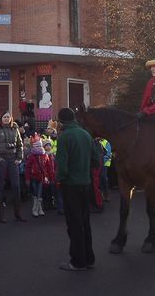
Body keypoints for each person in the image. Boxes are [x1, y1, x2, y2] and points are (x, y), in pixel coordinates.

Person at [55, 107, 100, 271]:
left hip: (70, 185)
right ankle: (89, 258)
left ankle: (77, 260)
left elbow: (62, 166)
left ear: (60, 121)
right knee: (85, 222)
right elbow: (96, 160)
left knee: (74, 224)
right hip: (85, 183)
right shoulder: (86, 134)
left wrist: (59, 178)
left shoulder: (64, 137)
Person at [0, 112, 26, 223]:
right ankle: (0, 215)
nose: (6, 118)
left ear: (11, 118)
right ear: (1, 118)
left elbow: (20, 145)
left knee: (16, 186)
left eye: (8, 117)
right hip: (1, 159)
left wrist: (19, 157)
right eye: (4, 117)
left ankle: (18, 214)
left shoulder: (15, 128)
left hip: (13, 159)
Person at [25, 133, 54, 217]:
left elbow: (48, 167)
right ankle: (36, 208)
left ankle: (38, 208)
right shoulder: (32, 156)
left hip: (41, 177)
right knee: (35, 193)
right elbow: (27, 168)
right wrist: (27, 179)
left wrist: (50, 177)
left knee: (39, 193)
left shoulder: (44, 155)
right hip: (34, 177)